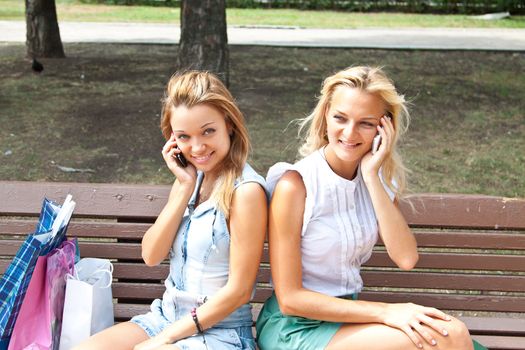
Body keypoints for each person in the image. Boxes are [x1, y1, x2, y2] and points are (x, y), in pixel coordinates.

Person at [256, 66, 486, 350]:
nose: (349, 133)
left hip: (350, 321)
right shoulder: (296, 185)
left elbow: (406, 258)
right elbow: (291, 299)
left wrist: (371, 177)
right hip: (295, 326)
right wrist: (387, 311)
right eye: (340, 118)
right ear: (326, 114)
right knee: (448, 337)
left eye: (365, 123)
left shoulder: (376, 180)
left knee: (452, 336)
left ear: (383, 126)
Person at [74, 71, 267, 350]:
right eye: (184, 136)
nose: (197, 147)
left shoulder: (245, 191)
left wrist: (165, 339)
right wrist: (184, 187)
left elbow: (238, 292)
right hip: (163, 318)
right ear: (172, 139)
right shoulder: (190, 178)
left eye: (208, 131)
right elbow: (151, 255)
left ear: (230, 125)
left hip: (219, 333)